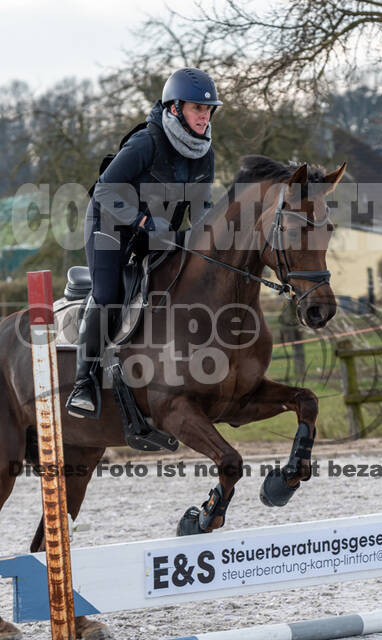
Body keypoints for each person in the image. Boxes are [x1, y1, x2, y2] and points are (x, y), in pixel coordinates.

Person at [66, 68, 222, 418]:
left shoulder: (204, 152)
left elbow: (201, 207)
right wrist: (143, 220)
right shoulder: (146, 141)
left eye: (209, 110)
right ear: (174, 108)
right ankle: (84, 382)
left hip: (157, 232)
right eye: (197, 108)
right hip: (109, 225)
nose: (204, 116)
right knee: (108, 295)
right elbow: (105, 189)